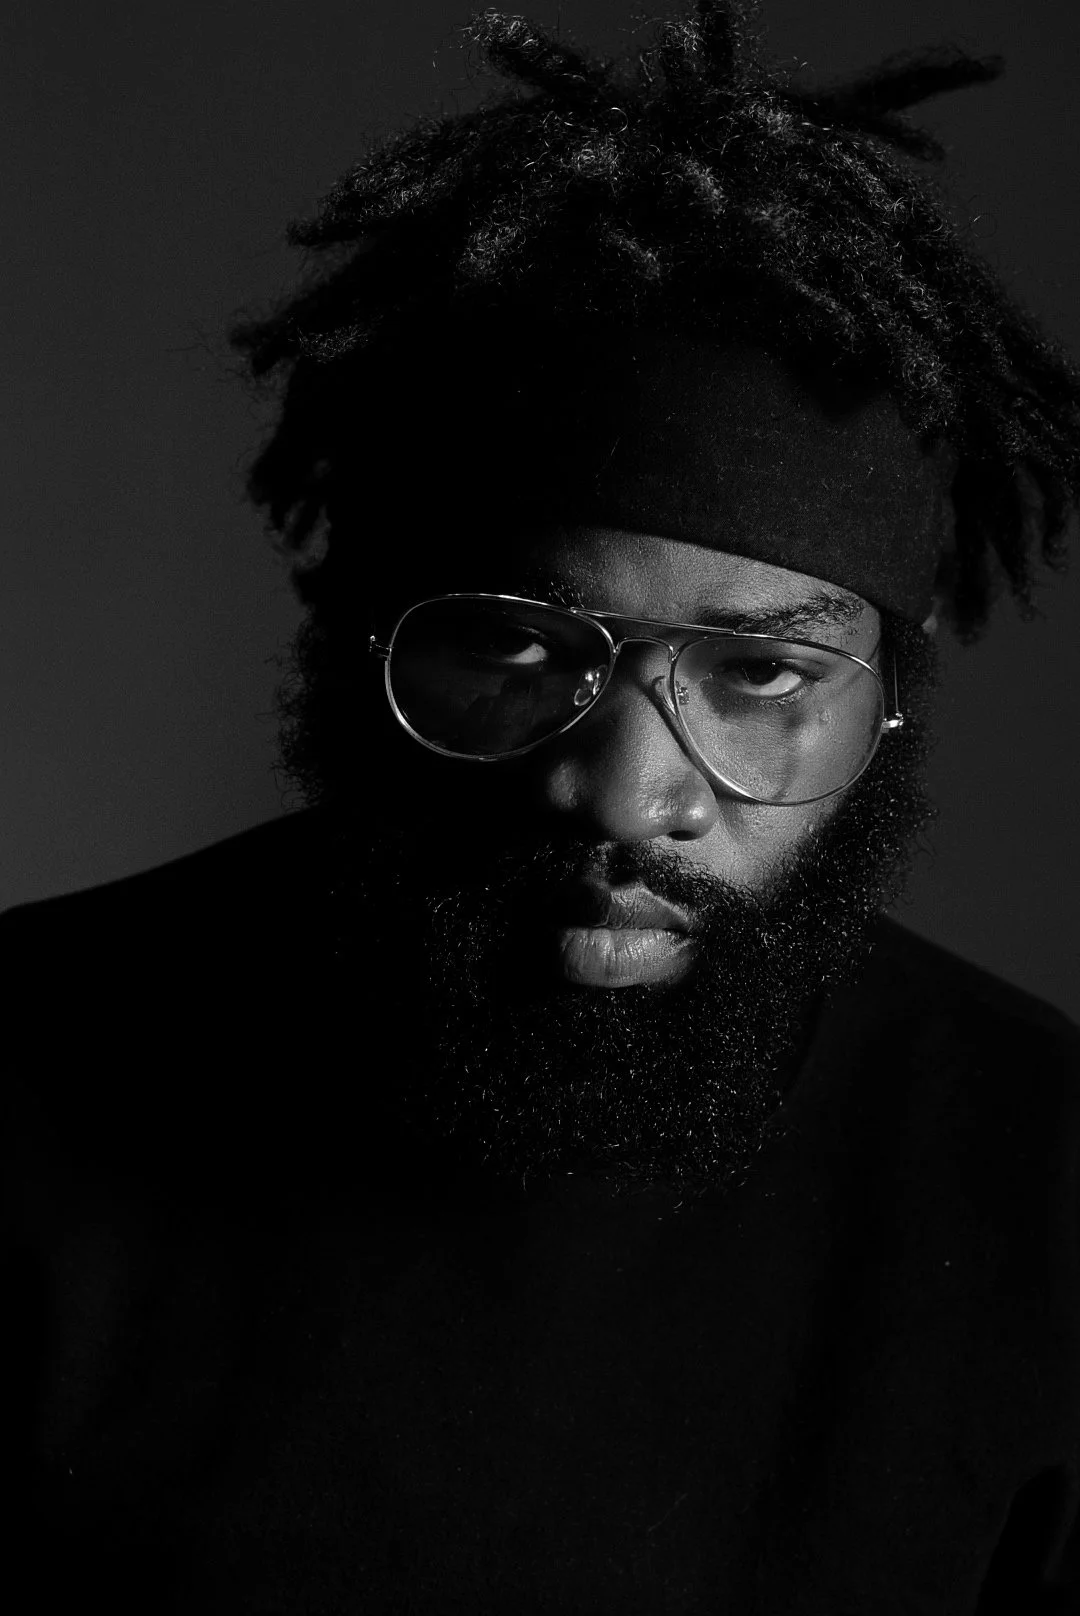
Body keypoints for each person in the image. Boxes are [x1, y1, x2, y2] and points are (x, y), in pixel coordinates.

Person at [4, 4, 1079, 1610]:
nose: (627, 789)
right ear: (362, 639)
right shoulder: (22, 1072)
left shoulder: (1050, 1180)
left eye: (761, 680)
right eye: (519, 646)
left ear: (886, 701)